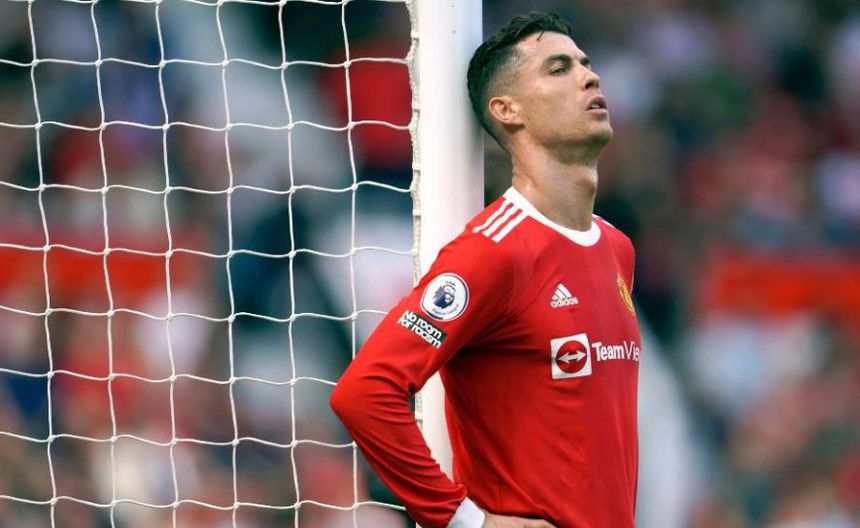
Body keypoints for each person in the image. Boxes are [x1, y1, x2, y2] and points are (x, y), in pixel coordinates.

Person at [330, 12, 641, 528]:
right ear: (506, 109)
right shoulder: (494, 252)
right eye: (559, 69)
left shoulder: (616, 247)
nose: (589, 77)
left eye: (586, 64)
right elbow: (365, 391)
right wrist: (467, 522)